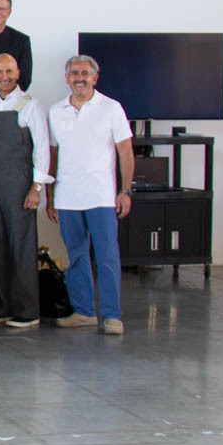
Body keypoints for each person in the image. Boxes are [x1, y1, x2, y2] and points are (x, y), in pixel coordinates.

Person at [46, 54, 133, 336]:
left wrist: (125, 190)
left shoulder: (111, 108)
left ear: (95, 77)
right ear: (67, 78)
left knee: (107, 256)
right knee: (77, 256)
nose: (79, 78)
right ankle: (83, 311)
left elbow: (125, 152)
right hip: (67, 196)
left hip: (102, 196)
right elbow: (53, 156)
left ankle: (112, 316)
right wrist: (50, 196)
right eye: (74, 73)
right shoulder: (56, 111)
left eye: (85, 73)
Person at [0, 53, 51, 329]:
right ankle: (3, 306)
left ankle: (27, 309)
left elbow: (42, 148)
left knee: (21, 244)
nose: (4, 76)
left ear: (18, 72)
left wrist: (37, 187)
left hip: (19, 181)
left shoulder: (30, 106)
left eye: (9, 71)